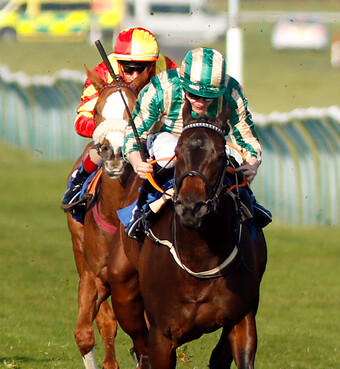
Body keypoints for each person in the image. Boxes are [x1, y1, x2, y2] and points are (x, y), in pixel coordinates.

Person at [122, 47, 271, 239]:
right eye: (193, 95)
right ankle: (142, 211)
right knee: (173, 152)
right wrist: (136, 161)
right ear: (183, 85)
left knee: (226, 157)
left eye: (209, 98)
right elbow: (134, 132)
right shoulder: (162, 87)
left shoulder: (231, 92)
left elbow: (246, 136)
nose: (200, 102)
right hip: (168, 141)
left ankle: (247, 203)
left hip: (209, 142)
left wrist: (252, 163)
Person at [61, 27, 178, 212]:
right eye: (127, 69)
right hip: (115, 137)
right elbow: (81, 121)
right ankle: (78, 183)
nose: (133, 76)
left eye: (139, 70)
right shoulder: (103, 73)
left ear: (152, 65)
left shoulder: (170, 71)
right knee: (98, 149)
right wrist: (112, 129)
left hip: (155, 135)